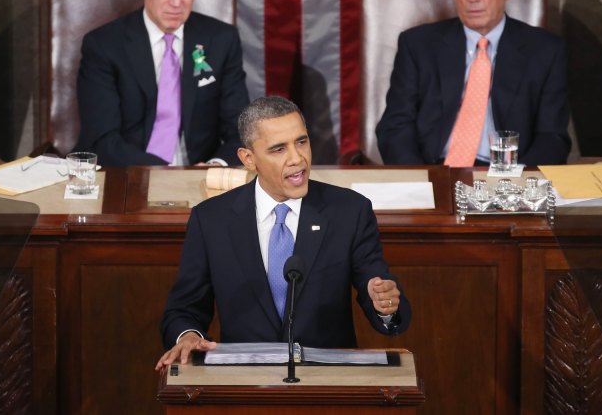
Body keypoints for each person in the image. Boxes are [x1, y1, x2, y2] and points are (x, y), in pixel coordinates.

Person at [155, 96, 411, 370]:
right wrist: (189, 335)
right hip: (245, 384)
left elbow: (380, 291)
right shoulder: (211, 220)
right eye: (279, 149)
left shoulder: (349, 211)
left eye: (301, 142)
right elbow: (184, 309)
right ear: (249, 159)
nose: (297, 158)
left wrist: (386, 306)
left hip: (327, 384)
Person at [376, 0, 570, 166]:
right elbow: (395, 127)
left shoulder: (545, 51)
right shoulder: (418, 45)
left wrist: (518, 185)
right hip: (433, 171)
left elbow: (552, 137)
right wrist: (420, 180)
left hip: (507, 177)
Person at [75, 0, 250, 167]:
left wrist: (216, 165)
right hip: (129, 175)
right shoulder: (104, 45)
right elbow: (102, 139)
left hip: (200, 175)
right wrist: (162, 173)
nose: (176, 2)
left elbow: (241, 130)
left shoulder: (221, 40)